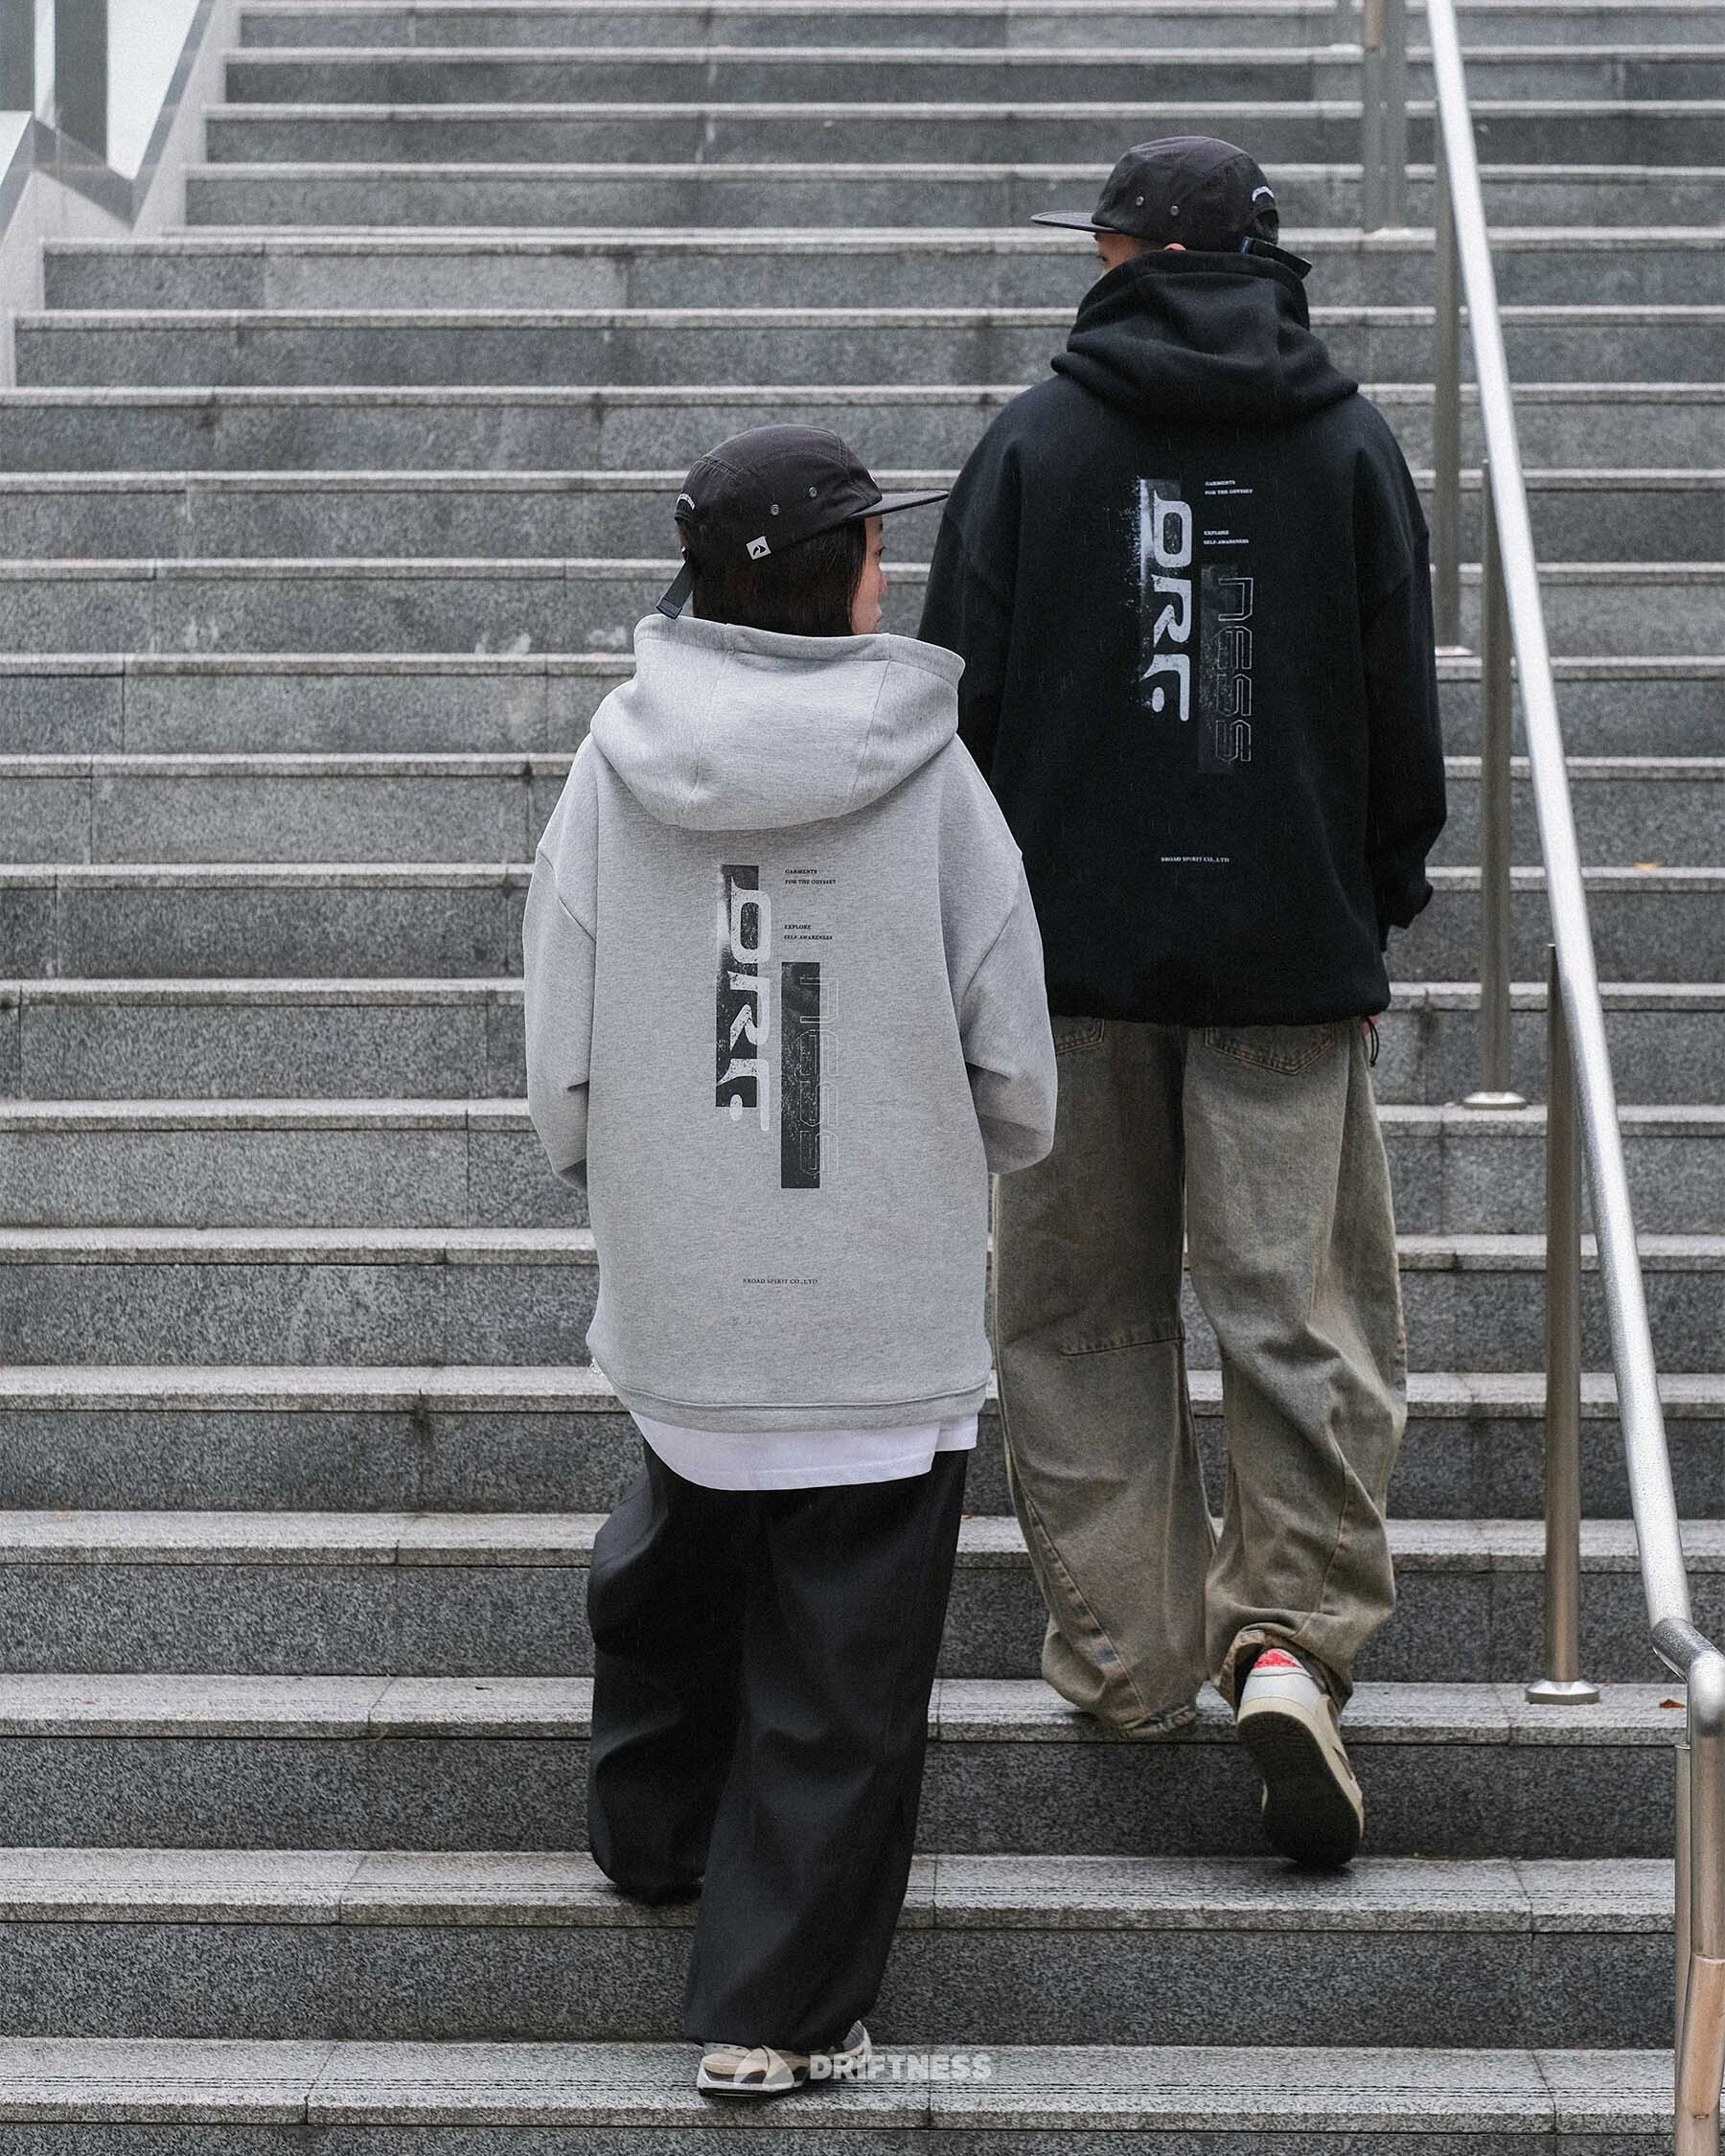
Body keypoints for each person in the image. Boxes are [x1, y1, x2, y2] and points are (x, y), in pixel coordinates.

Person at [918, 136, 1445, 1869]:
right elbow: (1400, 713)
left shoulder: (1032, 446)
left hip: (1068, 968)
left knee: (1077, 1317)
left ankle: (1132, 1657)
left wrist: (970, 945)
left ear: (1127, 257)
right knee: (1301, 1315)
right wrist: (1373, 901)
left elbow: (954, 722)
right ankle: (1286, 1642)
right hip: (1288, 956)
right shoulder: (1349, 444)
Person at [523, 424, 1058, 2094]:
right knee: (845, 1667)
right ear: (845, 577)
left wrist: (632, 1170)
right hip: (880, 1296)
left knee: (684, 1540)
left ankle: (656, 1826)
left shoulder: (617, 762)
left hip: (690, 1278)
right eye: (878, 545)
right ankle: (774, 2011)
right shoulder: (934, 775)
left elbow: (561, 1040)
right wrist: (979, 1144)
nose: (895, 566)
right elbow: (1015, 1058)